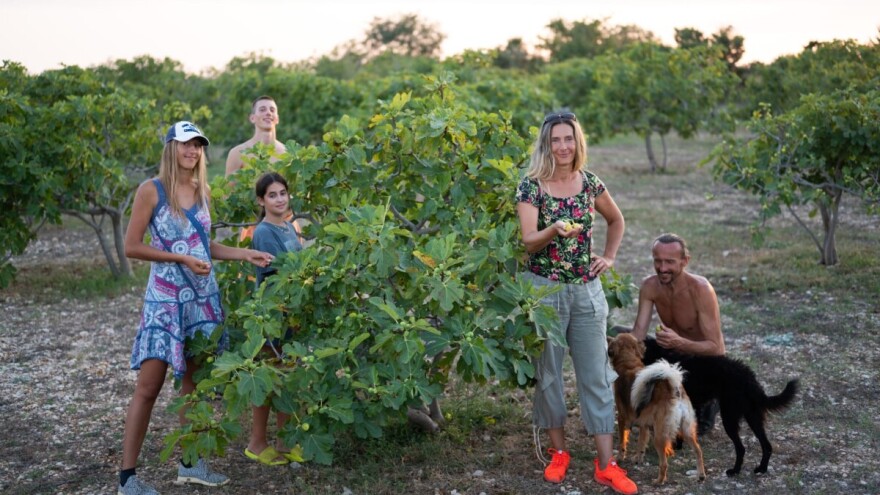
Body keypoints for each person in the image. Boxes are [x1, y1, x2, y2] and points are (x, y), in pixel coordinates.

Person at [118, 121, 275, 495]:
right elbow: (132, 247)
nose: (192, 151)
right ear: (171, 147)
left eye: (198, 146)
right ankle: (127, 479)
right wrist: (179, 259)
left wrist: (243, 253)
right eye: (186, 144)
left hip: (202, 300)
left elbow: (205, 246)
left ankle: (190, 463)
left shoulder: (201, 190)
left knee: (194, 384)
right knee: (148, 387)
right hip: (167, 302)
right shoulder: (151, 191)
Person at [515, 111, 637, 495]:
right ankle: (559, 452)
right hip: (544, 291)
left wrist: (610, 257)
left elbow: (617, 220)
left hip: (586, 291)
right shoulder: (531, 186)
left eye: (569, 139)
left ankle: (606, 465)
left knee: (597, 377)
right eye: (556, 140)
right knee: (549, 376)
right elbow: (528, 240)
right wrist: (554, 229)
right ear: (546, 144)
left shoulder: (589, 183)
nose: (563, 146)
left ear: (577, 142)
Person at [628, 232, 725, 435]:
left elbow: (717, 349)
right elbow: (638, 334)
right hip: (672, 355)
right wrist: (617, 348)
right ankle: (642, 404)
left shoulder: (701, 289)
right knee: (622, 340)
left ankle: (710, 402)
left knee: (694, 431)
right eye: (658, 261)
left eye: (670, 262)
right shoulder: (650, 286)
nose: (663, 268)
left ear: (685, 261)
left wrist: (679, 342)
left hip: (701, 361)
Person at [244, 172, 303, 466]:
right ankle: (256, 442)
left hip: (291, 312)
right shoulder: (264, 231)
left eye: (283, 193)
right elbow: (278, 275)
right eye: (272, 195)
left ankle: (284, 441)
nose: (279, 199)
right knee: (267, 380)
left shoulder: (290, 227)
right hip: (272, 315)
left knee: (288, 378)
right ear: (261, 200)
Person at [224, 95, 287, 177]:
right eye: (262, 110)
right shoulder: (237, 153)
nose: (268, 113)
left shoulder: (287, 153)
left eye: (272, 110)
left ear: (277, 119)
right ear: (252, 118)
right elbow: (229, 189)